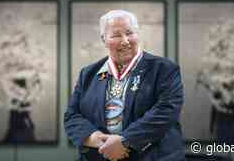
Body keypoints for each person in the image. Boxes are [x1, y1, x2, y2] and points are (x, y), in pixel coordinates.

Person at [64, 9, 185, 161]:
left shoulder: (164, 69)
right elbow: (72, 116)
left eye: (129, 33)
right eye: (116, 35)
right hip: (101, 155)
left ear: (137, 34)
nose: (125, 40)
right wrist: (98, 139)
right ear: (104, 39)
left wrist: (124, 141)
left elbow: (166, 111)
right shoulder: (88, 74)